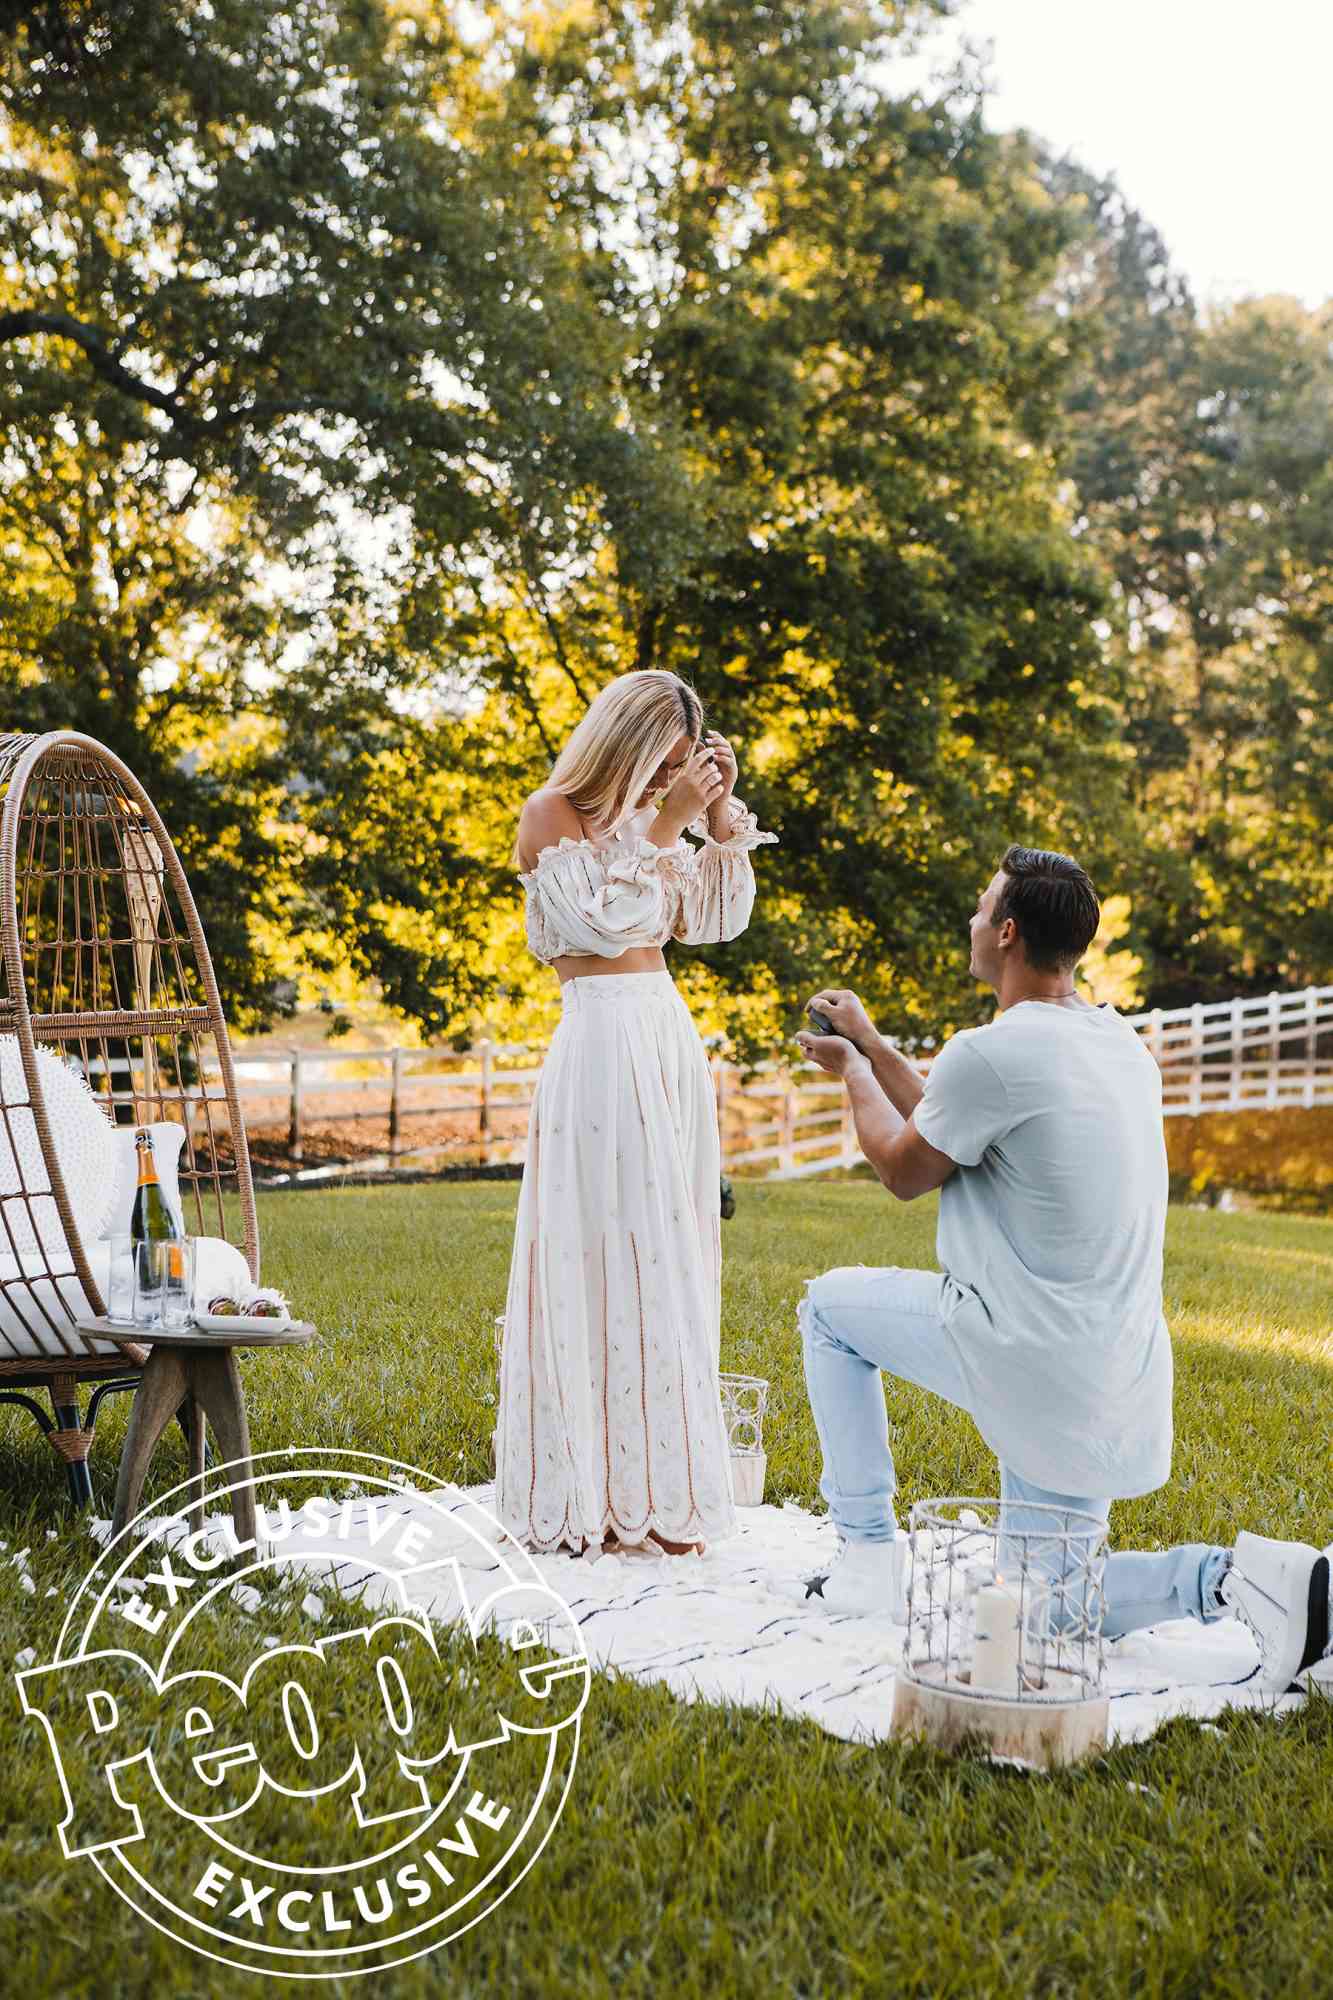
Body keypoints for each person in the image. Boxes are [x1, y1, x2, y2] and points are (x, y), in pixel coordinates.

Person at [792, 844, 1330, 1692]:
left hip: (1018, 1349)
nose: (970, 923)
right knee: (1045, 1608)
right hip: (1107, 1364)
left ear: (1005, 933)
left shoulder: (992, 1052)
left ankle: (864, 1557)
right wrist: (868, 1036)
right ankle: (1241, 1580)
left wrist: (854, 1070)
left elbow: (904, 1168)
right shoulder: (1116, 1044)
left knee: (828, 1310)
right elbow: (958, 1115)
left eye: (979, 911)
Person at [494, 669, 777, 1557]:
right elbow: (601, 923)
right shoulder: (553, 816)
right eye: (660, 763)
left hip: (663, 1040)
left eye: (682, 768)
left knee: (669, 1248)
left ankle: (660, 1491)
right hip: (600, 1045)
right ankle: (588, 1490)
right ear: (624, 743)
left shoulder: (654, 826)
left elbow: (712, 923)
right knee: (599, 1243)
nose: (667, 783)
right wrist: (662, 824)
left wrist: (722, 825)